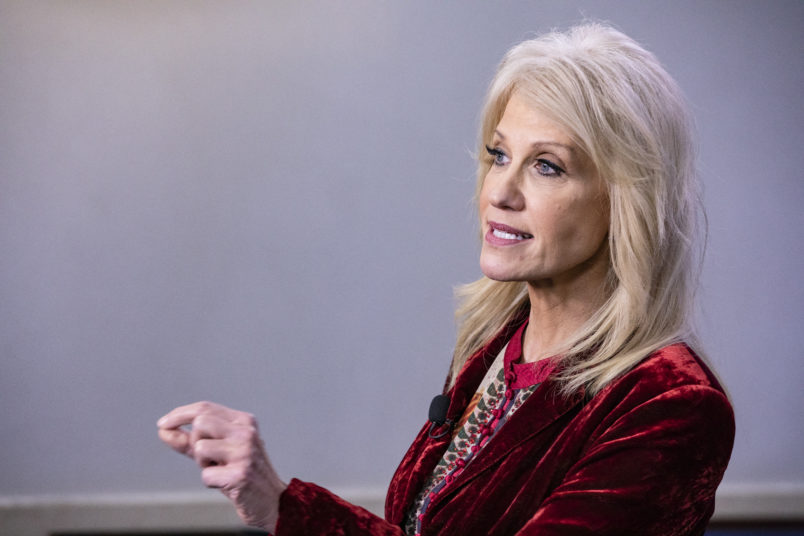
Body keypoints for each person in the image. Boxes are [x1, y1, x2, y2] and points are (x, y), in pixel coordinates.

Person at [157, 23, 734, 535]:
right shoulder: (496, 342)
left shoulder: (672, 402)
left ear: (626, 201)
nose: (500, 193)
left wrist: (289, 507)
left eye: (547, 165)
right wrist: (275, 503)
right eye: (499, 155)